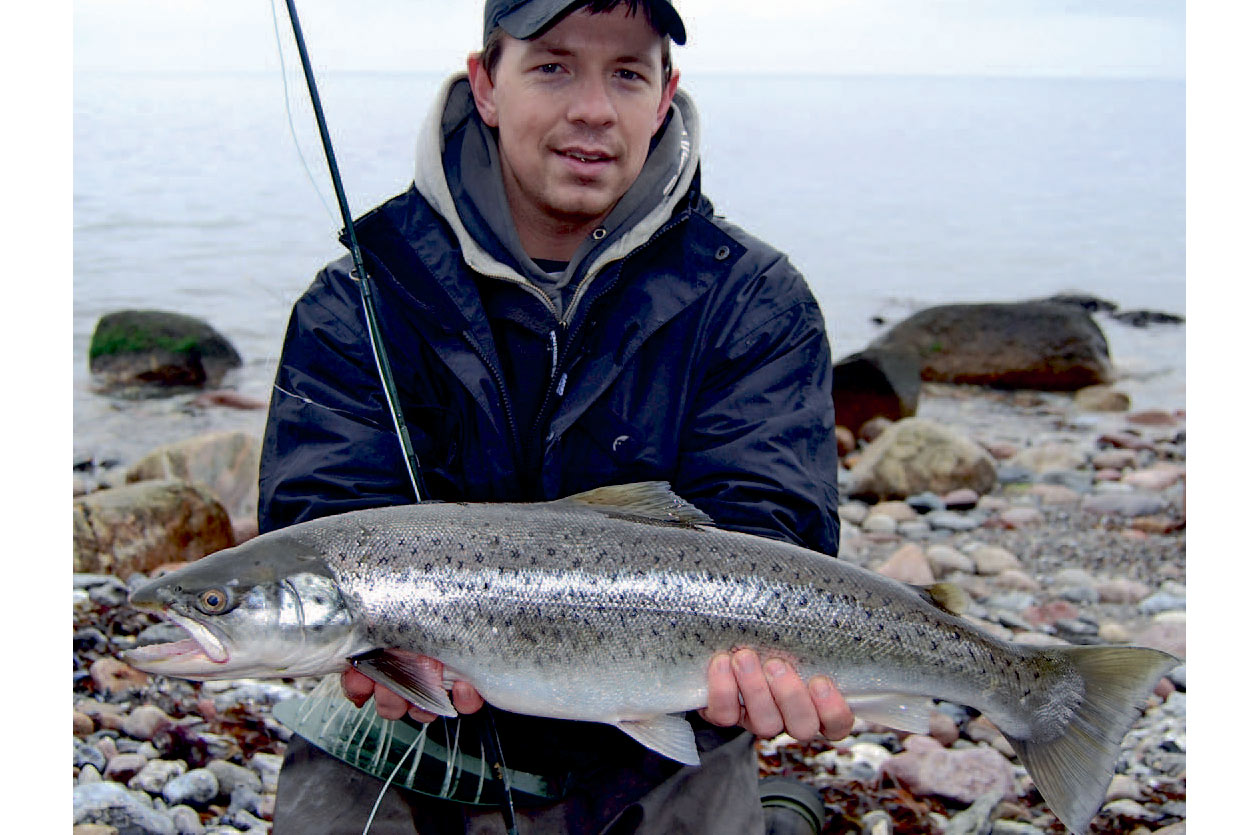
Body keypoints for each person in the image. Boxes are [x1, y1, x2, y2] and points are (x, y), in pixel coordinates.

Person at [258, 1, 853, 831]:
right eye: (552, 66)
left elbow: (773, 530)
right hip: (406, 735)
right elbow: (317, 517)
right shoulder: (359, 296)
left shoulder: (753, 300)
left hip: (660, 747)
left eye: (626, 73)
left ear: (664, 93)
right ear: (485, 84)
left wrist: (760, 673)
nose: (592, 109)